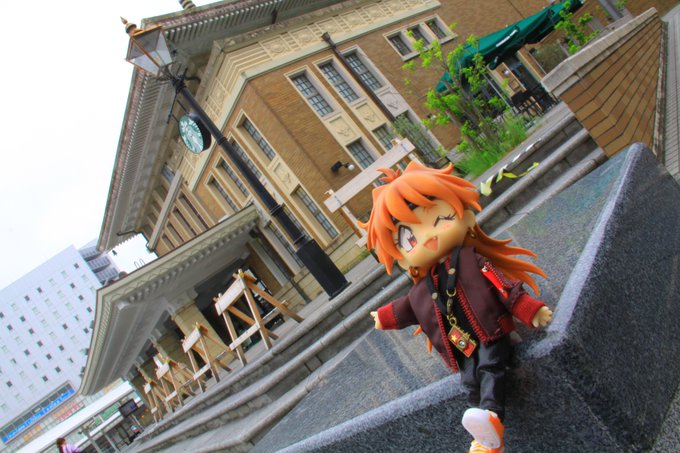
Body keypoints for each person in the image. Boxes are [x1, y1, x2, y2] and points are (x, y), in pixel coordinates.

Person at [361, 162, 553, 453]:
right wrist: (385, 317)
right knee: (471, 379)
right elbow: (407, 308)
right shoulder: (423, 288)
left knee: (491, 366)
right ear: (400, 257)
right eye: (410, 239)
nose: (429, 237)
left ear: (465, 217)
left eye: (441, 219)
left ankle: (492, 418)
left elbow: (502, 286)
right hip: (462, 346)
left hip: (490, 332)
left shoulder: (472, 261)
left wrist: (529, 309)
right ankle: (485, 434)